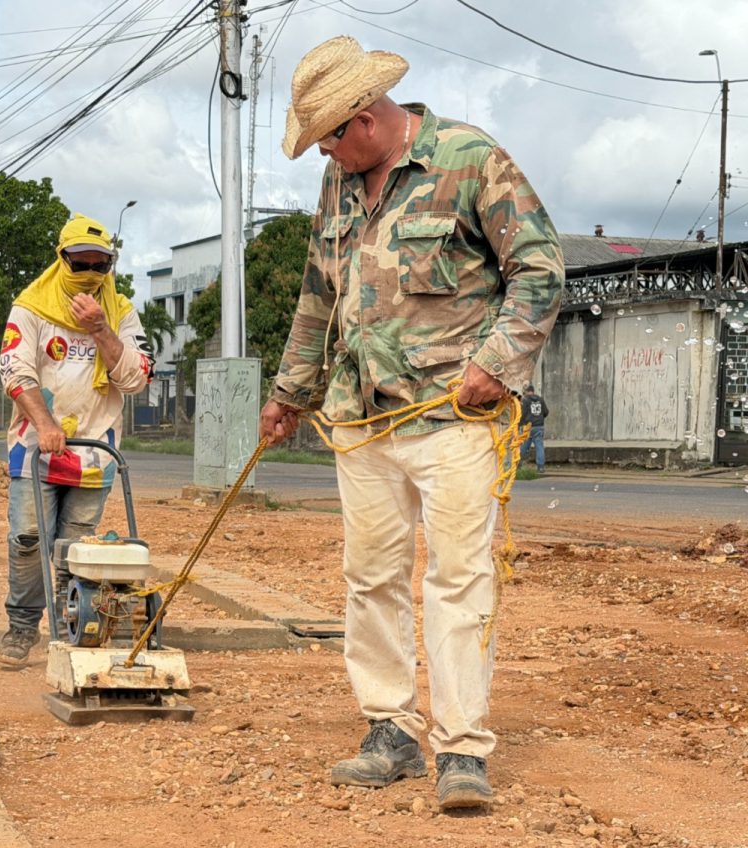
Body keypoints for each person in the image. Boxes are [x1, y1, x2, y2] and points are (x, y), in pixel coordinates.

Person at [258, 37, 564, 809]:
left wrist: (497, 362)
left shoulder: (469, 160)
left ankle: (462, 750)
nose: (325, 152)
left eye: (330, 136)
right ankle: (389, 730)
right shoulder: (339, 184)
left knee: (458, 581)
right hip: (361, 419)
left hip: (454, 418)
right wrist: (289, 393)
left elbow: (540, 267)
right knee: (372, 580)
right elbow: (316, 297)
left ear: (366, 118)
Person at [0, 214, 154, 667]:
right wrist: (45, 424)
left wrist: (101, 330)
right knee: (27, 538)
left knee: (77, 549)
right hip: (36, 447)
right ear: (61, 258)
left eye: (99, 264)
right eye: (80, 261)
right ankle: (22, 625)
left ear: (110, 265)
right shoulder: (31, 307)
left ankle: (72, 627)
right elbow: (14, 371)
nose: (89, 271)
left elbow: (137, 377)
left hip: (95, 451)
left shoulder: (120, 312)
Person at [520, 385, 549, 473]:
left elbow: (522, 414)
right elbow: (546, 412)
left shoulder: (525, 400)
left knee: (524, 446)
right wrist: (539, 418)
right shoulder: (540, 399)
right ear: (533, 391)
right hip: (539, 426)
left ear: (526, 391)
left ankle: (517, 464)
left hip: (528, 426)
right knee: (539, 447)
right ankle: (540, 467)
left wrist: (520, 424)